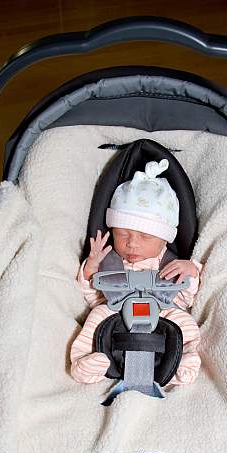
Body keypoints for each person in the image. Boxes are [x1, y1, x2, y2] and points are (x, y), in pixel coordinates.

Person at [70, 158, 203, 386]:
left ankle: (181, 361)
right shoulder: (109, 261)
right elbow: (91, 296)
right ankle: (83, 363)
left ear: (164, 239)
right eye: (122, 234)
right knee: (94, 318)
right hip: (115, 310)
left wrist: (190, 271)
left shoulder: (171, 264)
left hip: (163, 310)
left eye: (145, 237)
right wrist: (92, 265)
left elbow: (187, 297)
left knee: (186, 322)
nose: (132, 244)